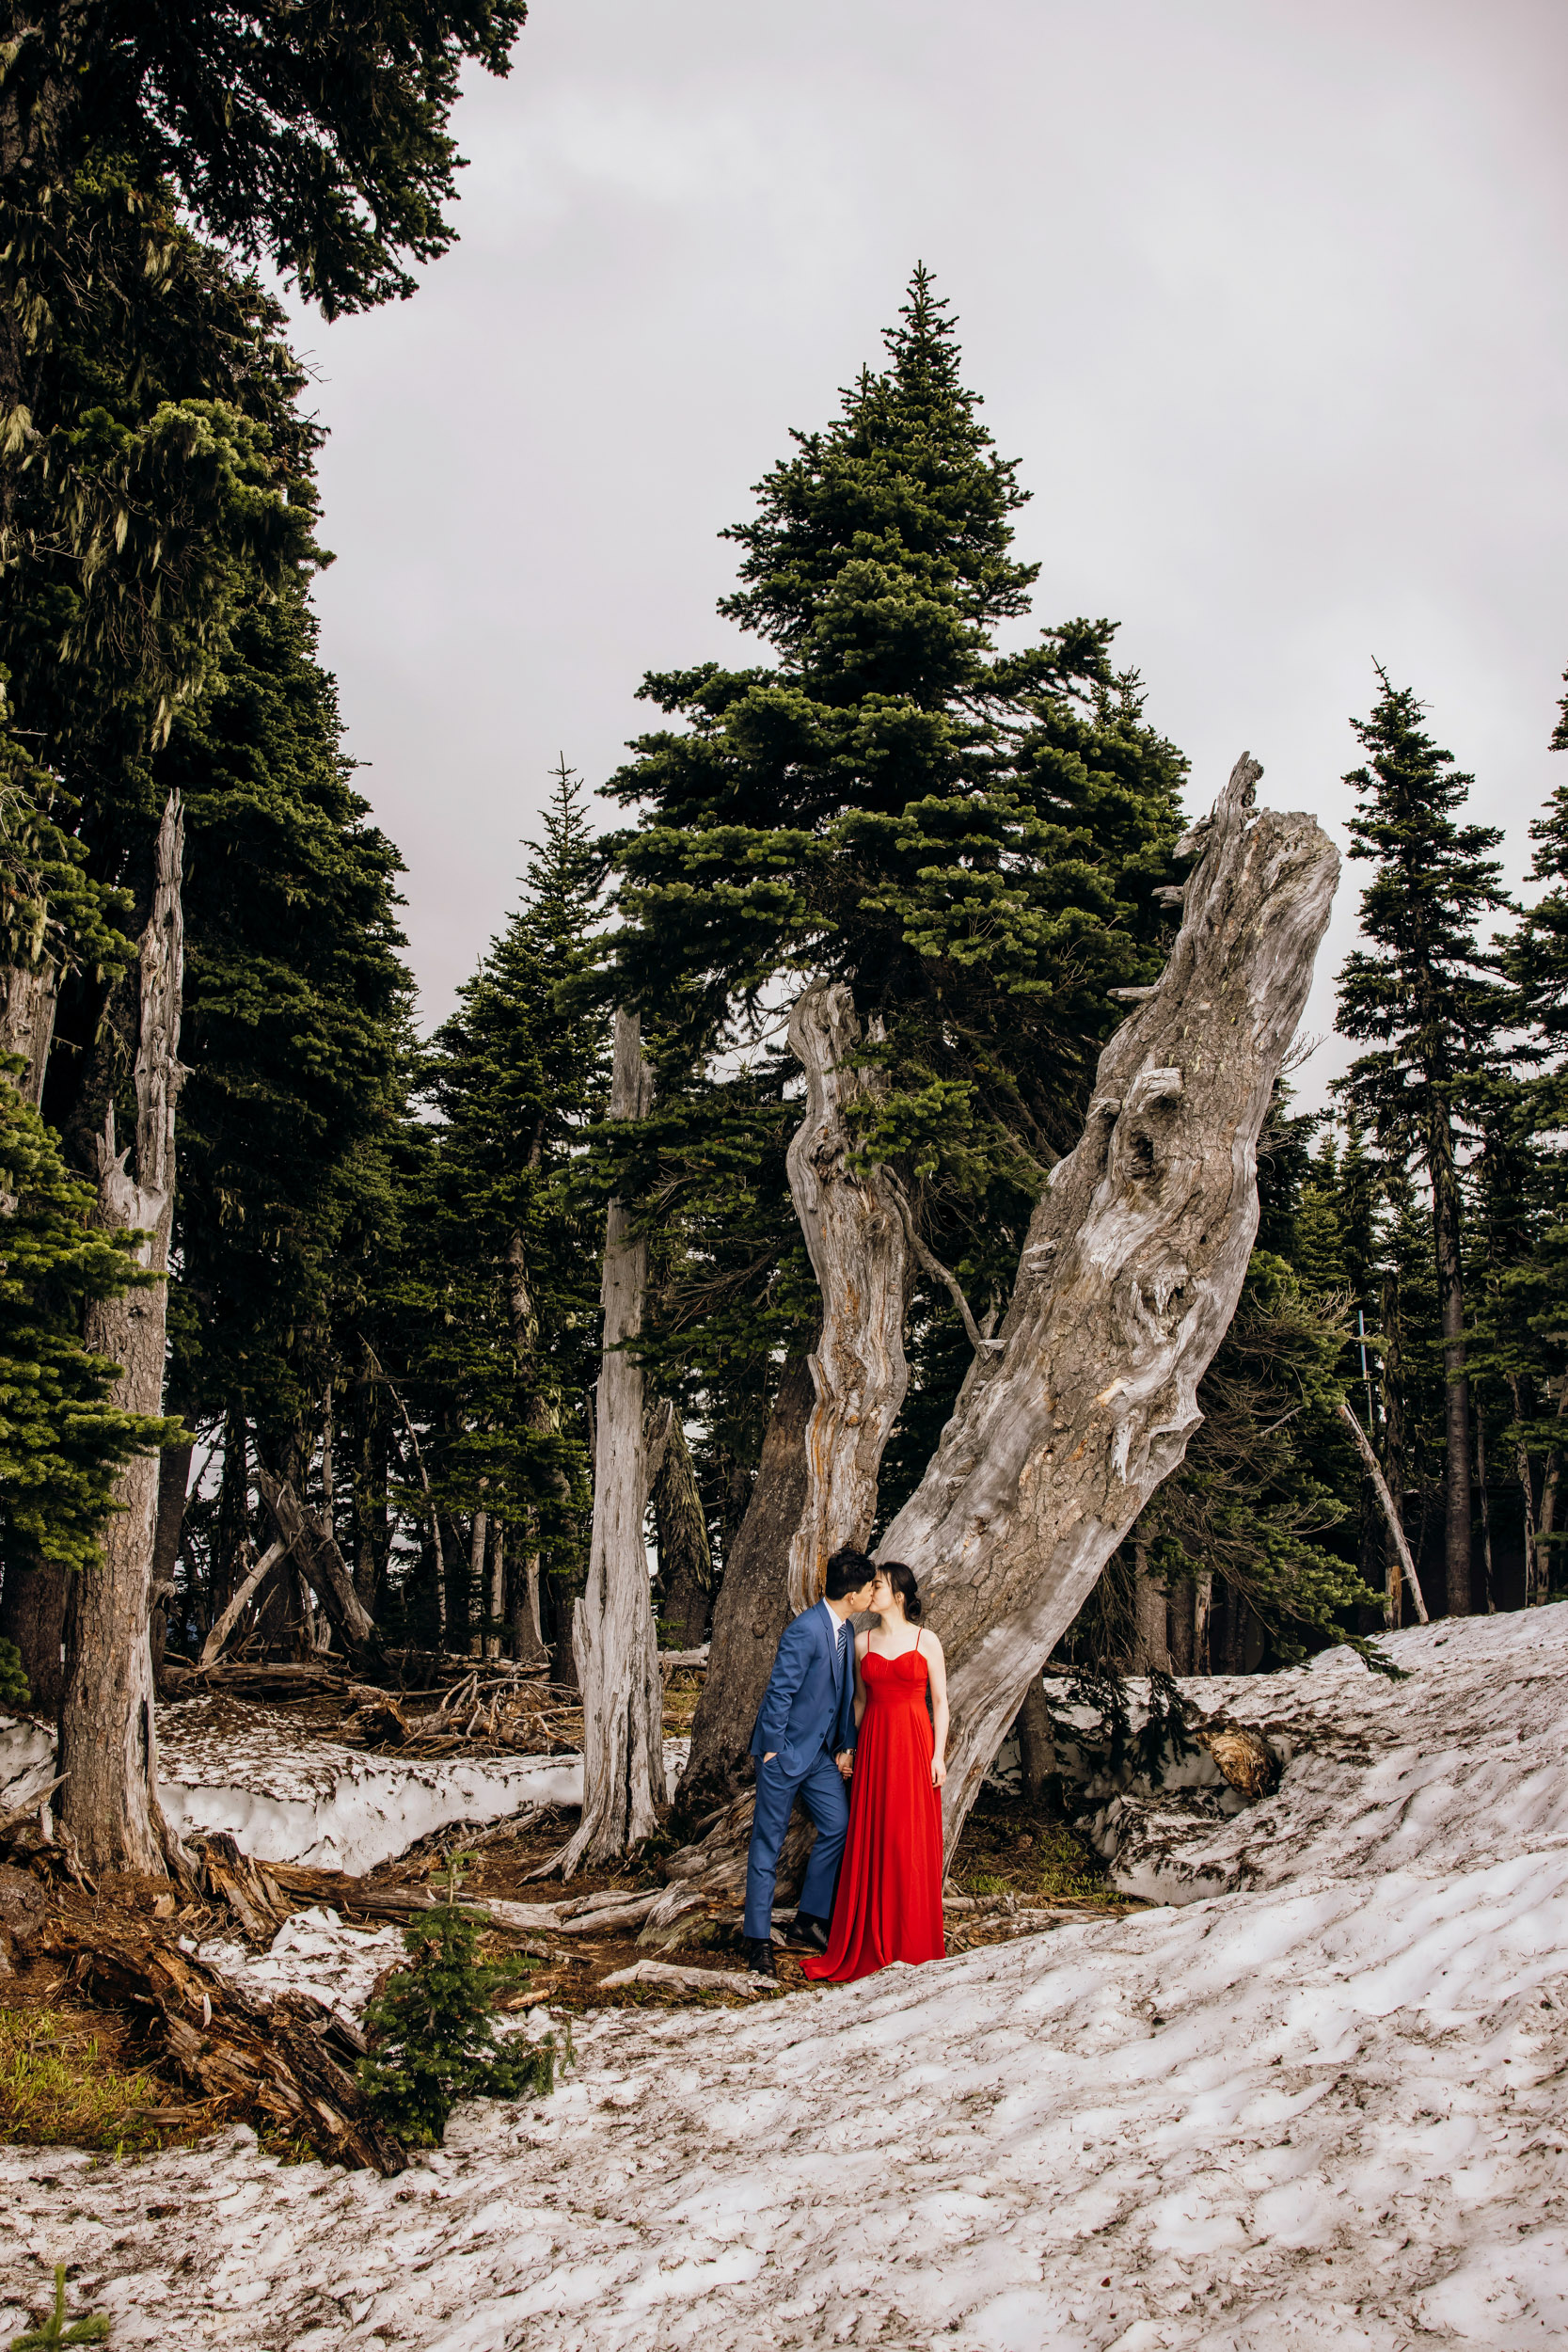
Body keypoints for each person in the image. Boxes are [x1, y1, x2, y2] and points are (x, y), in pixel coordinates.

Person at [801, 1559, 947, 1983]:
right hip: (876, 1747)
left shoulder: (926, 1640)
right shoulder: (862, 1641)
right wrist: (851, 1748)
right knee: (876, 1836)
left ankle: (911, 1936)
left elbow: (940, 1703)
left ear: (898, 1595)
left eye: (878, 1585)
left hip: (916, 1746)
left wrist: (938, 1756)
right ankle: (870, 1934)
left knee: (908, 1838)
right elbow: (859, 1702)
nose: (871, 1590)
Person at [740, 1546, 877, 1979]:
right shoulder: (806, 1629)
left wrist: (845, 1745)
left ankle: (809, 1918)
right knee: (767, 1844)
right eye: (870, 1588)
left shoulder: (844, 1630)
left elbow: (842, 1699)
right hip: (783, 1754)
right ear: (852, 1594)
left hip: (819, 1756)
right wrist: (774, 1749)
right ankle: (756, 1940)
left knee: (839, 1825)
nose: (874, 1594)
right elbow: (779, 1691)